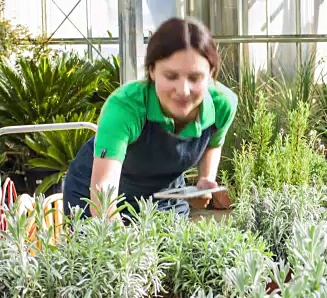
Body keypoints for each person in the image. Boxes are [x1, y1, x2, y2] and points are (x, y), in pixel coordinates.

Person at [63, 17, 237, 219]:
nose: (183, 90)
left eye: (195, 77)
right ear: (152, 70)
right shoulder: (126, 107)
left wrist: (206, 179)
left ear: (211, 73)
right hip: (94, 197)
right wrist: (123, 247)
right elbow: (102, 193)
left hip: (164, 198)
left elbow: (213, 143)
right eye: (171, 76)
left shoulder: (223, 105)